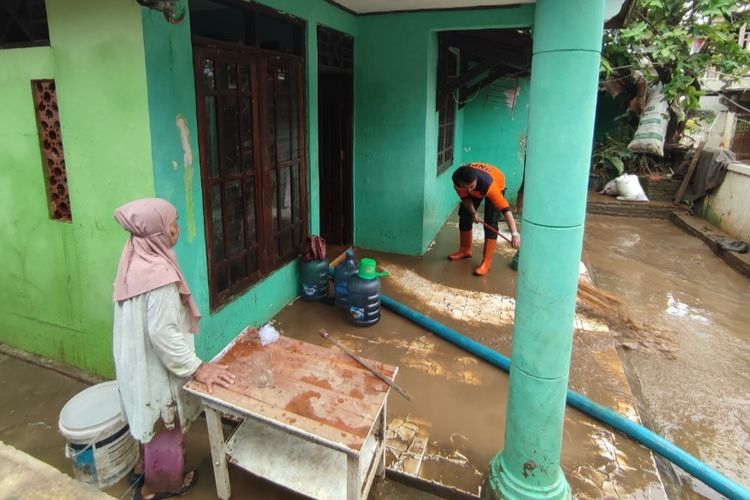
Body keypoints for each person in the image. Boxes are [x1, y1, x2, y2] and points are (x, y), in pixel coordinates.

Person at [112, 198, 236, 500]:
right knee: (166, 426)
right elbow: (163, 334)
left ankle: (145, 468)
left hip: (135, 364)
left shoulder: (133, 256)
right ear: (156, 233)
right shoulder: (159, 278)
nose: (177, 229)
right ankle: (158, 487)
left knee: (148, 426)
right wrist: (198, 367)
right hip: (157, 372)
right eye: (172, 224)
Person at [448, 163, 521, 275]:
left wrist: (514, 233)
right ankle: (465, 249)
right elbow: (465, 197)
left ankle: (486, 262)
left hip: (496, 180)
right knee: (465, 214)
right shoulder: (458, 181)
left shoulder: (489, 186)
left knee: (491, 222)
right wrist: (473, 213)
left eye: (471, 187)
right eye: (465, 187)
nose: (468, 190)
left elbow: (505, 209)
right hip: (474, 184)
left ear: (476, 180)